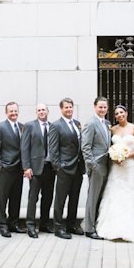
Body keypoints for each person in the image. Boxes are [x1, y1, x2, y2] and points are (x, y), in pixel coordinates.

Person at [96, 105, 134, 242]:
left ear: (126, 113)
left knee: (131, 195)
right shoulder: (113, 129)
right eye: (116, 113)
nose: (119, 115)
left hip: (130, 166)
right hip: (116, 167)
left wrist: (126, 156)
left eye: (121, 112)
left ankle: (132, 229)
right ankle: (113, 228)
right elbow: (109, 147)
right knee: (115, 194)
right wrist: (115, 156)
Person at [48, 98, 85, 239]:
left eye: (71, 107)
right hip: (64, 168)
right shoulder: (56, 125)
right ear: (61, 109)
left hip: (77, 168)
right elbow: (53, 148)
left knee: (74, 198)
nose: (69, 109)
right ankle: (58, 227)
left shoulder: (77, 124)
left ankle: (71, 224)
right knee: (60, 199)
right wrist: (58, 167)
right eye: (66, 107)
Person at [0, 102, 26, 238]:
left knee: (16, 197)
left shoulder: (22, 127)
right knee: (2, 198)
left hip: (19, 169)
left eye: (15, 111)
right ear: (6, 113)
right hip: (5, 168)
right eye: (11, 111)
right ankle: (3, 225)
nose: (14, 113)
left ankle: (14, 223)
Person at [21, 103, 56, 238]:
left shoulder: (53, 127)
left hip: (49, 168)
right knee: (33, 198)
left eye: (43, 110)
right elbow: (24, 148)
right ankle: (30, 226)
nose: (42, 112)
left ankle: (44, 224)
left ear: (48, 111)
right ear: (36, 112)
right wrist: (26, 167)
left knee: (47, 198)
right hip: (35, 168)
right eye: (39, 110)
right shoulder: (29, 126)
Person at [81, 96, 111, 240]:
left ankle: (97, 225)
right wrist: (92, 165)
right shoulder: (91, 124)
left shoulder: (107, 123)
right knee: (93, 197)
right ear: (94, 107)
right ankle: (89, 229)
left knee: (101, 197)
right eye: (100, 107)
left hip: (107, 165)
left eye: (105, 107)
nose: (103, 110)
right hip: (97, 165)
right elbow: (85, 147)